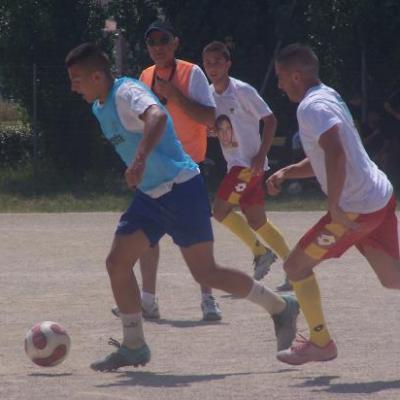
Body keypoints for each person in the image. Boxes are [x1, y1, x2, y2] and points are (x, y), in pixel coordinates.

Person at [65, 42, 299, 372]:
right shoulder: (99, 107)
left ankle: (280, 307)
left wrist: (140, 159)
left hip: (181, 188)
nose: (73, 86)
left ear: (97, 76)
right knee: (117, 262)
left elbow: (158, 116)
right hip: (151, 195)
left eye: (77, 79)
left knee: (207, 273)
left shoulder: (125, 92)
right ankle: (134, 345)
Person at [267, 43, 400, 365]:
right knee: (393, 278)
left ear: (296, 75)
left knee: (296, 267)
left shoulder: (311, 108)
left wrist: (335, 205)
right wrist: (288, 172)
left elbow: (337, 153)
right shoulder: (328, 95)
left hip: (356, 208)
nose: (280, 85)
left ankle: (320, 342)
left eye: (281, 77)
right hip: (378, 196)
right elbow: (329, 155)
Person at [112, 20, 221, 321]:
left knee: (198, 239)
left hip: (188, 169)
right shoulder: (144, 76)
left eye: (164, 40)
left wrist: (175, 96)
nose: (158, 47)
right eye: (152, 42)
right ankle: (148, 300)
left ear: (175, 43)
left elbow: (210, 117)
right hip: (156, 170)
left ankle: (208, 298)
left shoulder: (192, 72)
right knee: (148, 237)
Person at [202, 41, 291, 284]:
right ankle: (294, 266)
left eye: (218, 62)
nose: (212, 67)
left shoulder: (242, 90)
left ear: (228, 64)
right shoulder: (209, 95)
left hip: (247, 165)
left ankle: (261, 252)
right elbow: (224, 127)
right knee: (256, 220)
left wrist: (262, 154)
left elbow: (270, 120)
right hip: (237, 165)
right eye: (208, 63)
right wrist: (215, 132)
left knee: (219, 211)